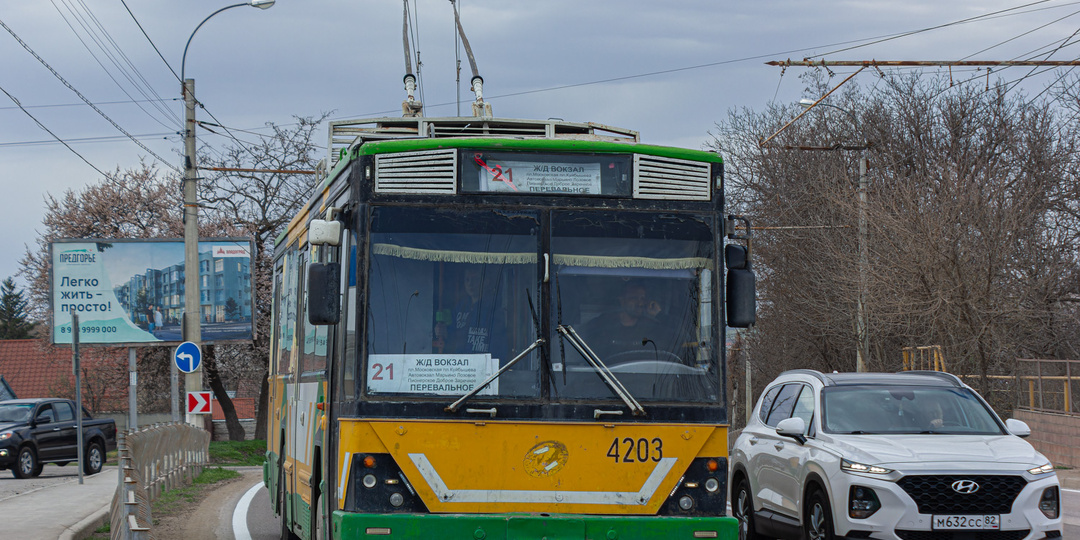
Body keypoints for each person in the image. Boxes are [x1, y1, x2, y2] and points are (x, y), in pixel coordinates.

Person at [579, 280, 668, 361]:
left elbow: (676, 340)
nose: (640, 303)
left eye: (643, 299)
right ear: (621, 300)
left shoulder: (652, 326)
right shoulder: (602, 325)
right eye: (634, 298)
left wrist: (659, 315)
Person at [445, 267, 508, 360]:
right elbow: (451, 335)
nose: (470, 283)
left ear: (486, 281)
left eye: (475, 279)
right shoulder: (460, 307)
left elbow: (498, 344)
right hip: (461, 364)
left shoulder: (494, 309)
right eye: (467, 279)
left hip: (484, 363)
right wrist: (443, 331)